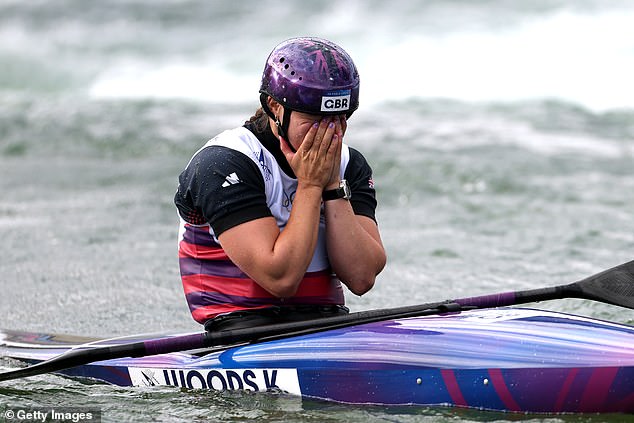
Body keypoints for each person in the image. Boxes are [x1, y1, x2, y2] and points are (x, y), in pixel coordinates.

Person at [174, 37, 386, 331]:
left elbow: (362, 278)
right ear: (275, 106)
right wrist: (311, 185)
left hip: (327, 325)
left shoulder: (350, 164)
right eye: (315, 118)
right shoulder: (223, 163)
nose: (330, 132)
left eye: (340, 118)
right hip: (242, 330)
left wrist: (332, 186)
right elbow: (280, 279)